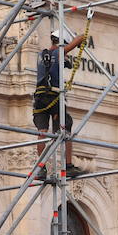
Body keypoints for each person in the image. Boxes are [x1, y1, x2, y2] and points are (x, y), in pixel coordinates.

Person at [33, 28, 89, 179]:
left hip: (39, 97)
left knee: (42, 132)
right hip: (54, 96)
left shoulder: (42, 54)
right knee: (66, 128)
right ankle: (68, 166)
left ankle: (41, 168)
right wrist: (83, 36)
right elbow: (76, 41)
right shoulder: (58, 52)